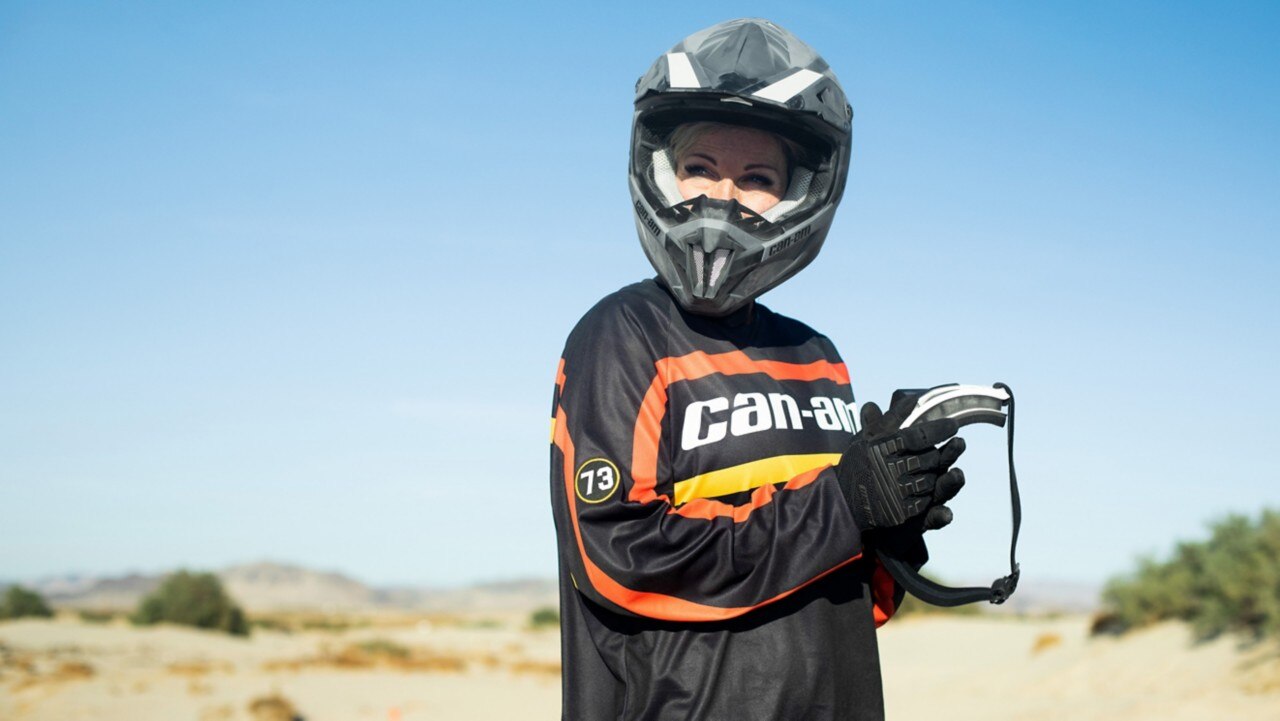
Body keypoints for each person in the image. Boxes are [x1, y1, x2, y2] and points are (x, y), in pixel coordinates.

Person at [549, 18, 966, 721]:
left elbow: (838, 597)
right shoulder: (623, 335)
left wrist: (891, 531)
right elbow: (621, 561)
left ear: (800, 192)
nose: (723, 196)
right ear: (662, 170)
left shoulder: (817, 356)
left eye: (757, 177)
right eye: (701, 167)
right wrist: (843, 506)